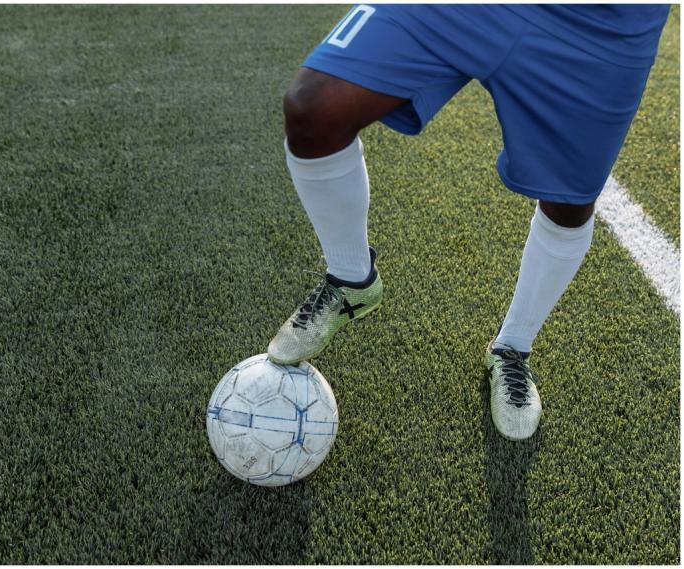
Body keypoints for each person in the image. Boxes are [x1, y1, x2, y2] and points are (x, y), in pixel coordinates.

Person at [266, 4, 670, 441]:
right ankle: (350, 279)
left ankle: (511, 348)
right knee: (313, 105)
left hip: (600, 24)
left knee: (569, 201)